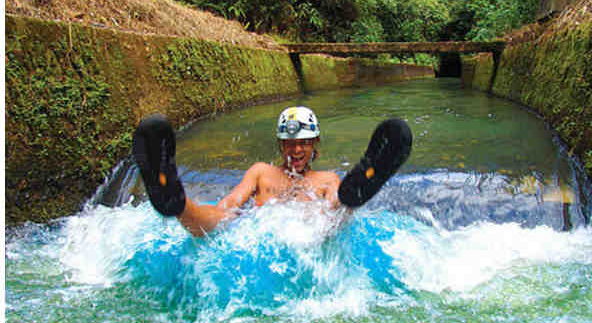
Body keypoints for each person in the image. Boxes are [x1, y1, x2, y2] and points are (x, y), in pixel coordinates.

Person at [133, 106, 412, 237]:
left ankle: (359, 191)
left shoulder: (327, 179)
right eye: (289, 144)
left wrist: (342, 201)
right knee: (221, 217)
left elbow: (331, 212)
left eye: (303, 143)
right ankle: (176, 202)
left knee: (336, 212)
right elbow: (230, 203)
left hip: (312, 236)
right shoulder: (261, 172)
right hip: (255, 235)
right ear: (281, 144)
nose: (296, 150)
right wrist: (222, 211)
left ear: (314, 144)